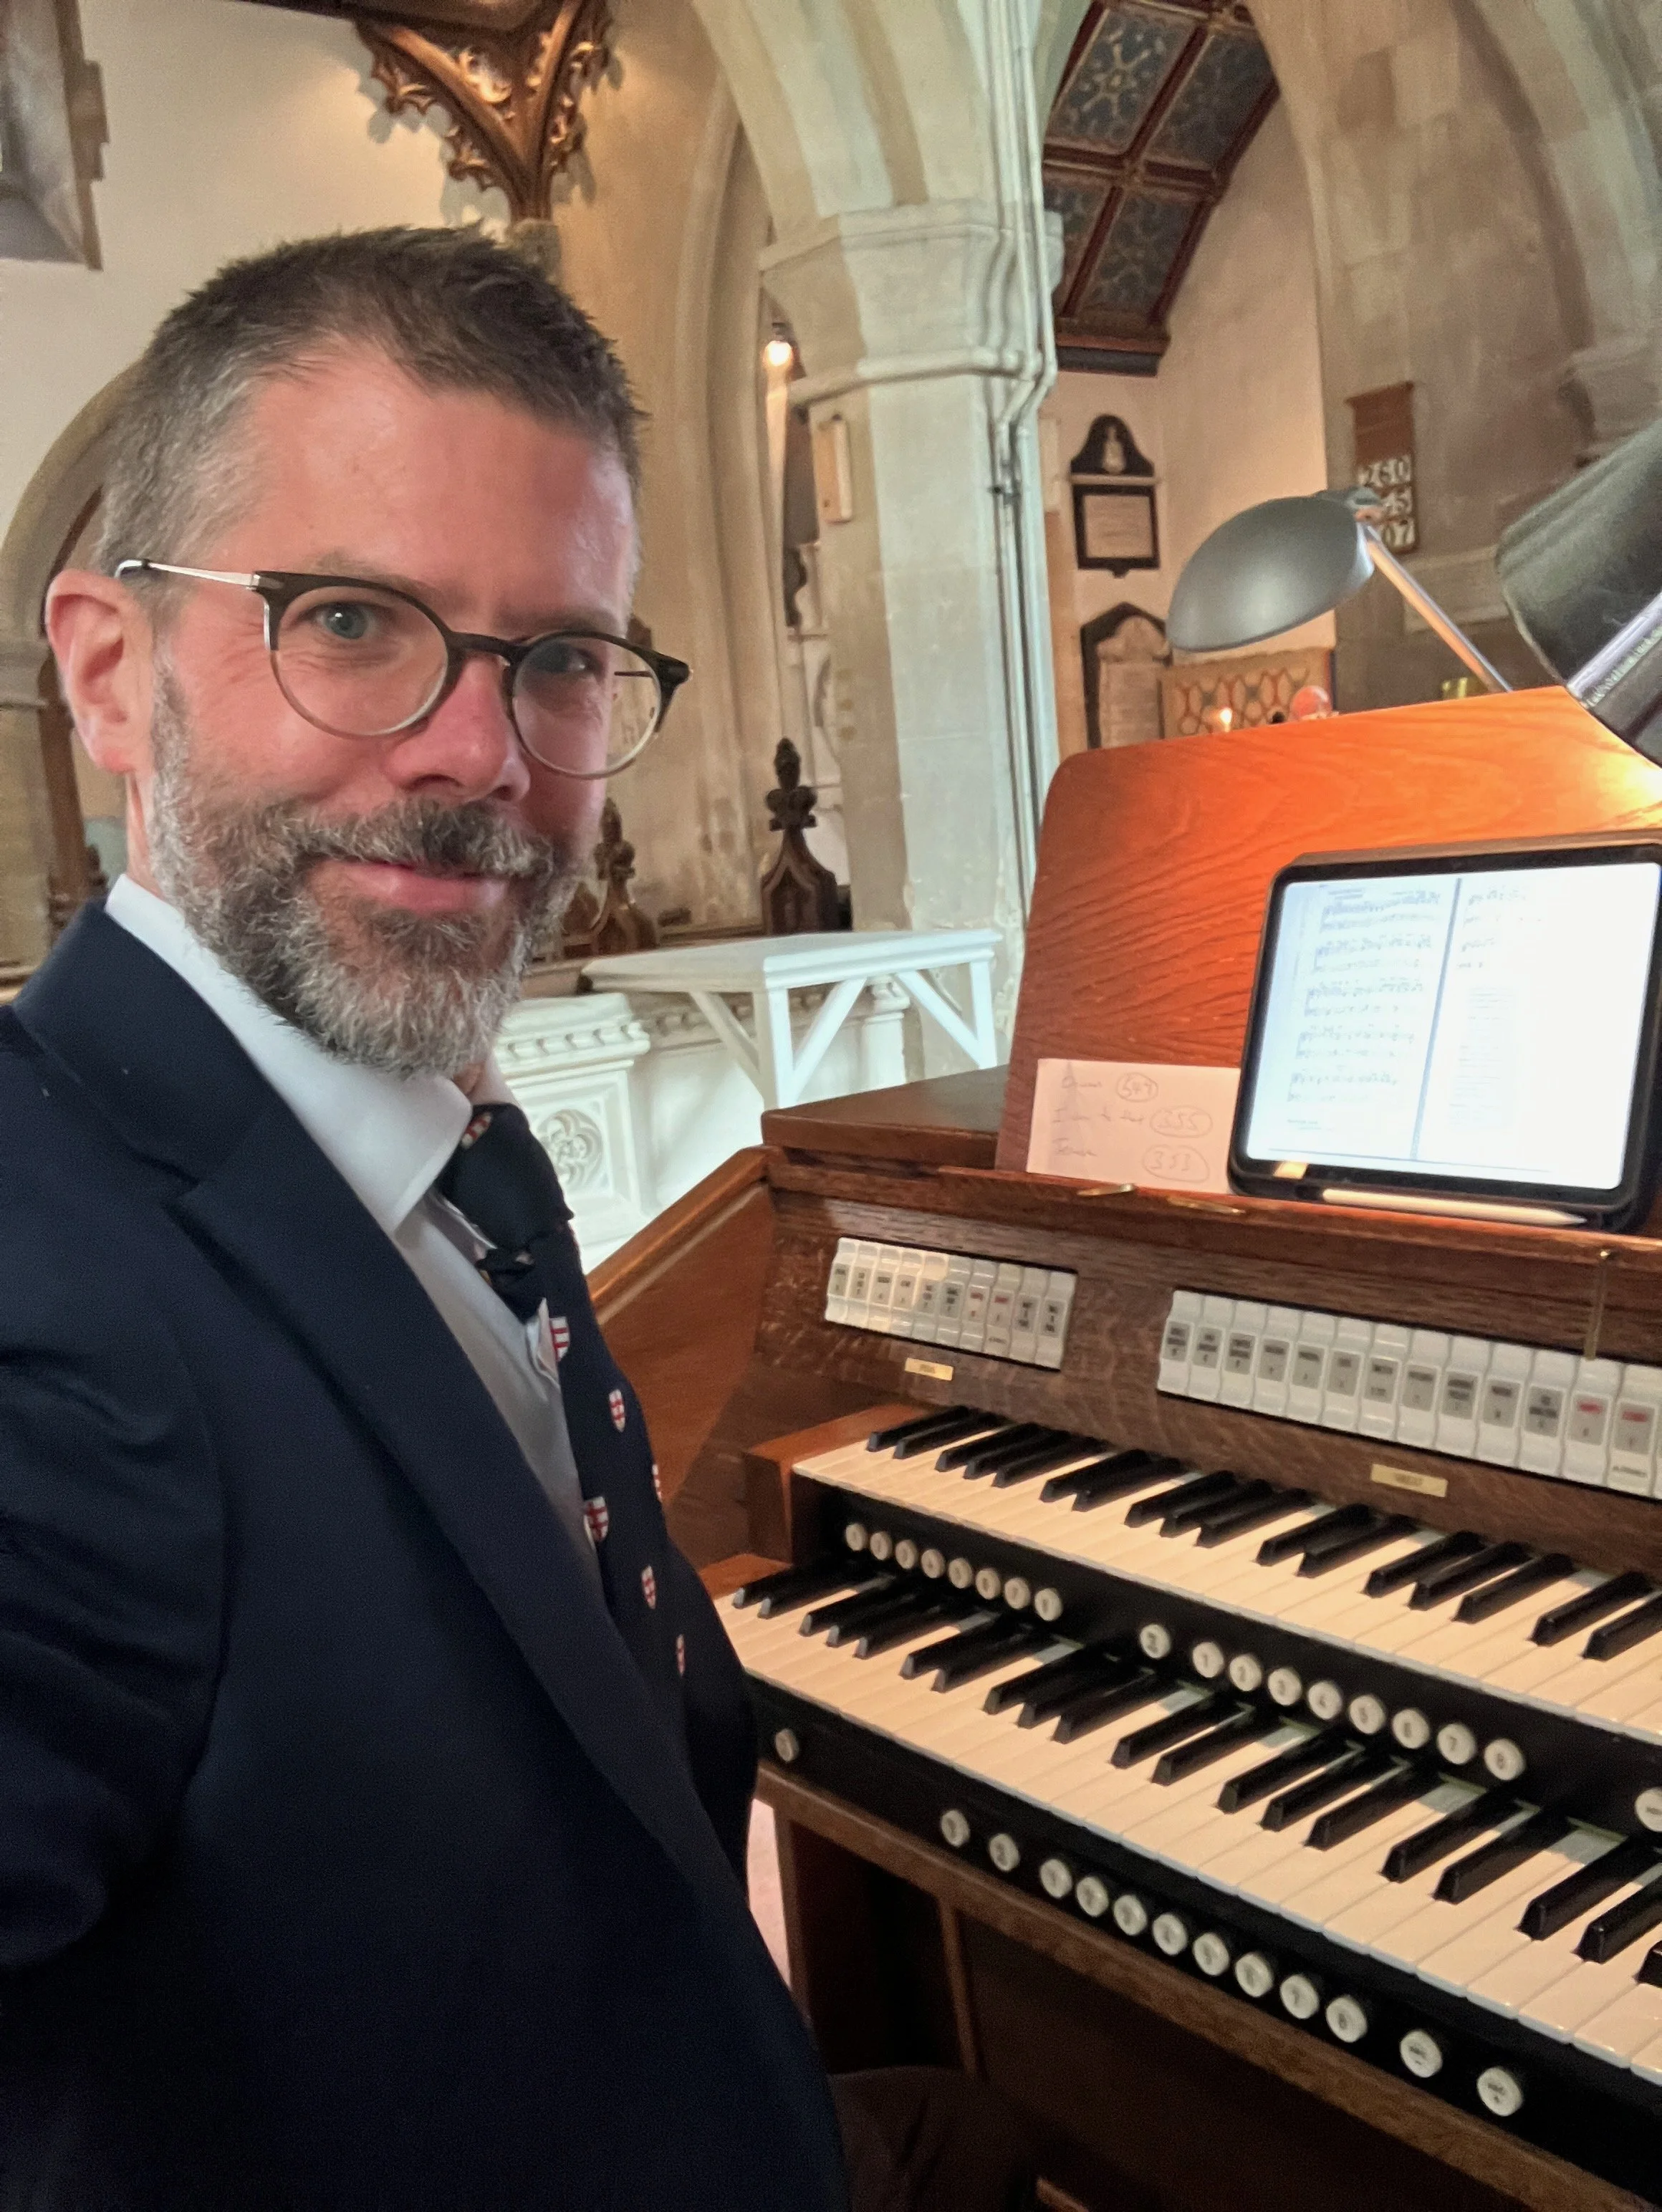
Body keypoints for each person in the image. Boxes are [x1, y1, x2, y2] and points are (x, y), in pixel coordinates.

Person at [5, 229, 1035, 2212]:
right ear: (115, 676)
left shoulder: (444, 1141)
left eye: (559, 657)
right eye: (353, 622)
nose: (481, 753)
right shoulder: (49, 1304)